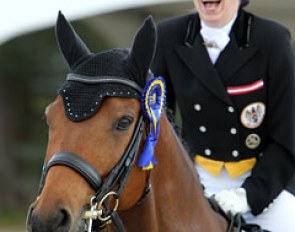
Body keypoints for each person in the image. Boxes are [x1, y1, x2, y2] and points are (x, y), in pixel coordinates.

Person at [151, 0, 295, 231]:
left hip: (263, 182)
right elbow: (156, 122)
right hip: (195, 179)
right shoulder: (169, 36)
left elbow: (287, 136)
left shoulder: (272, 39)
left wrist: (249, 195)